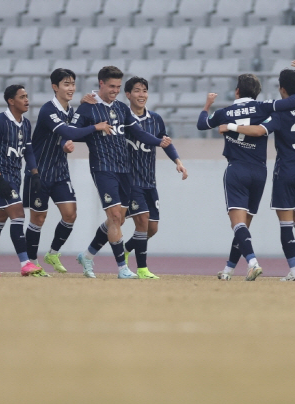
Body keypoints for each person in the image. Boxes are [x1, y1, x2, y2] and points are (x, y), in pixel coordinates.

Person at [219, 61, 295, 281]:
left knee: (285, 224)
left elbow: (258, 130)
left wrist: (231, 127)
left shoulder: (280, 115)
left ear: (282, 89)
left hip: (286, 172)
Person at [196, 73, 295, 281]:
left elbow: (202, 124)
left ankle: (253, 263)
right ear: (257, 93)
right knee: (244, 225)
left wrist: (207, 104)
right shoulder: (264, 107)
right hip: (259, 172)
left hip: (237, 169)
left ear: (237, 91)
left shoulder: (224, 113)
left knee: (237, 225)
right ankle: (228, 270)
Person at [69, 65, 172, 279]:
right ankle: (122, 268)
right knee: (115, 216)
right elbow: (72, 132)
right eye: (112, 86)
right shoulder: (88, 107)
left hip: (125, 171)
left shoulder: (122, 109)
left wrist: (160, 142)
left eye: (118, 86)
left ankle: (87, 255)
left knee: (117, 220)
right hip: (103, 168)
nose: (115, 90)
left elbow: (139, 133)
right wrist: (94, 128)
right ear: (101, 84)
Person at [23, 68, 112, 277]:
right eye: (66, 84)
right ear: (55, 87)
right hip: (39, 172)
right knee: (38, 219)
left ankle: (53, 253)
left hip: (60, 171)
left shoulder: (70, 111)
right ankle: (32, 262)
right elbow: (69, 131)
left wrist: (65, 145)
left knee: (70, 215)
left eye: (72, 84)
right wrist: (96, 127)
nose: (70, 88)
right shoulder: (48, 110)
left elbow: (67, 135)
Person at [0, 84, 44, 277]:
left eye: (27, 96)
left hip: (15, 176)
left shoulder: (26, 123)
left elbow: (28, 151)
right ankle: (25, 263)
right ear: (11, 101)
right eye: (22, 97)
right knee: (18, 214)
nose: (27, 100)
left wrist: (35, 173)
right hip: (0, 177)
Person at [122, 76, 188, 279]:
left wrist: (177, 161)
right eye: (137, 91)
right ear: (128, 94)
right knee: (141, 222)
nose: (141, 95)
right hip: (131, 181)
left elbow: (165, 142)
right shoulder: (124, 119)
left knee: (152, 229)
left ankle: (125, 249)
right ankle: (142, 269)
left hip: (150, 181)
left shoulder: (155, 119)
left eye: (144, 91)